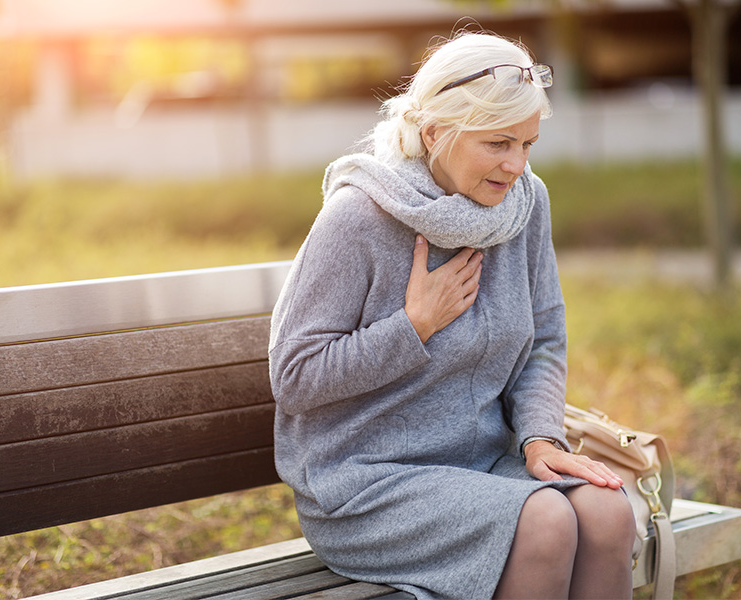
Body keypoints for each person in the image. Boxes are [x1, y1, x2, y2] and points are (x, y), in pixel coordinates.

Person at [268, 30, 636, 600]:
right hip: (369, 482)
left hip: (485, 463)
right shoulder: (358, 218)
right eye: (498, 144)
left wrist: (541, 438)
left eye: (528, 144)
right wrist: (413, 326)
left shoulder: (524, 204)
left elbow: (544, 338)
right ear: (436, 131)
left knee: (609, 515)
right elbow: (294, 377)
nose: (516, 165)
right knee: (546, 522)